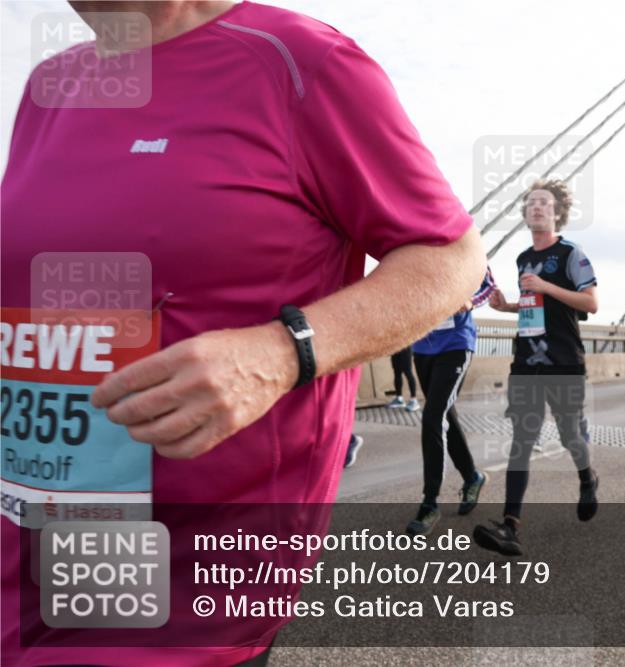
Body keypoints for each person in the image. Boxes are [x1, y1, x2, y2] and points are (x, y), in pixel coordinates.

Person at [0, 2, 487, 665]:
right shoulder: (46, 89)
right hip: (29, 544)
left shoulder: (301, 63)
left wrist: (283, 352)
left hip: (187, 586)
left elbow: (451, 260)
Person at [474, 179, 598, 557]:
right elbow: (535, 305)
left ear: (557, 212)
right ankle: (510, 526)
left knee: (569, 435)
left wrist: (545, 285)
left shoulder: (571, 254)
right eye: (531, 204)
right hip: (527, 360)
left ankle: (587, 476)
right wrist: (507, 307)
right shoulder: (522, 258)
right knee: (522, 442)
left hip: (563, 360)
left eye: (544, 203)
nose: (537, 208)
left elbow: (590, 303)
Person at [406, 270, 496, 535]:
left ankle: (430, 503)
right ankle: (472, 477)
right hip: (422, 346)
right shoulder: (413, 248)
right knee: (445, 415)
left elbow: (489, 286)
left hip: (456, 344)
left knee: (433, 417)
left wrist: (471, 301)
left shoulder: (462, 237)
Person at [388, 346, 420, 411]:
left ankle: (414, 400)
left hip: (405, 349)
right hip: (395, 349)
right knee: (397, 373)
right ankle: (399, 399)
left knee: (408, 373)